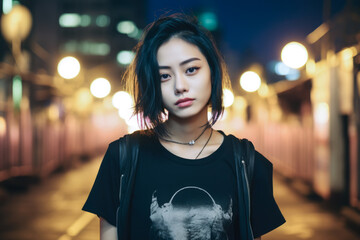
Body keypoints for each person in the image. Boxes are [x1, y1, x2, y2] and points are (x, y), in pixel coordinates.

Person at [82, 14, 285, 240]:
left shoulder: (246, 162)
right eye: (165, 76)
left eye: (191, 70)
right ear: (152, 84)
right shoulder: (123, 158)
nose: (180, 86)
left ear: (212, 71)